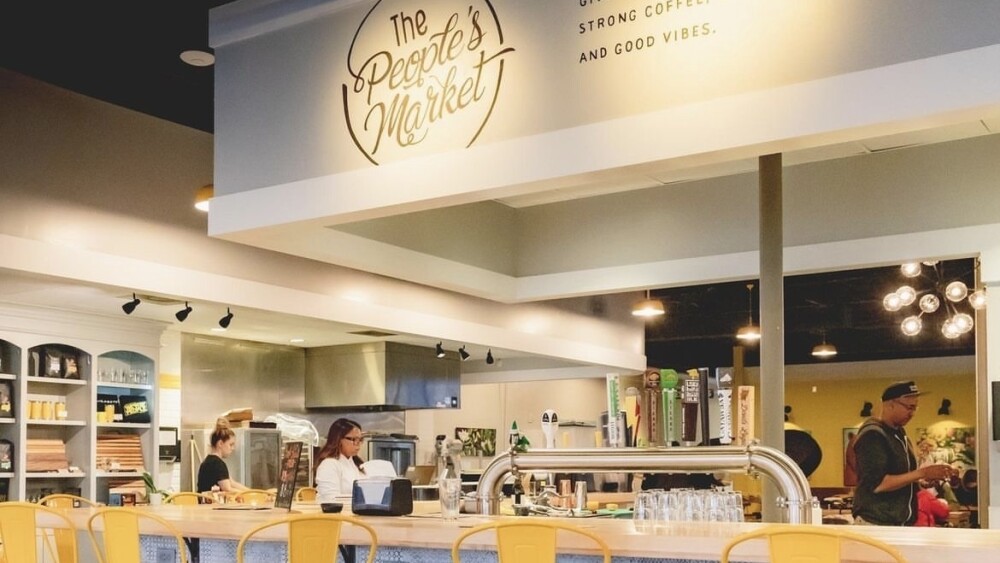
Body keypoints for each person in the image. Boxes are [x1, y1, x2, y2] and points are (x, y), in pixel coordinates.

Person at [852, 381, 953, 526]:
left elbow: (902, 478)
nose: (912, 413)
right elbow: (878, 484)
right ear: (889, 404)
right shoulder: (873, 435)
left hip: (898, 522)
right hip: (877, 522)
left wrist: (925, 480)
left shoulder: (898, 433)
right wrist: (922, 473)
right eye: (909, 407)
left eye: (915, 408)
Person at [315, 418, 367, 502]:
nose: (358, 444)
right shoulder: (329, 465)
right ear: (339, 440)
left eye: (360, 440)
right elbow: (331, 499)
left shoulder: (355, 464)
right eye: (354, 439)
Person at [197, 418, 249, 494]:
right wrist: (247, 494)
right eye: (231, 445)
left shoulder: (208, 461)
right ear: (220, 444)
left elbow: (232, 483)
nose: (233, 448)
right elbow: (227, 489)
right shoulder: (218, 464)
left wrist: (251, 491)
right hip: (211, 504)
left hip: (203, 504)